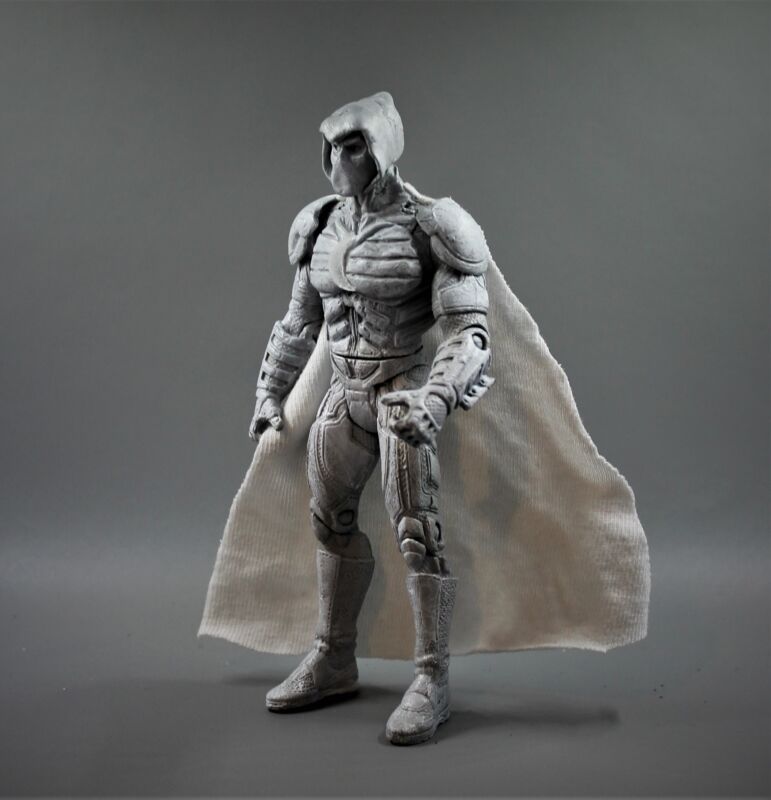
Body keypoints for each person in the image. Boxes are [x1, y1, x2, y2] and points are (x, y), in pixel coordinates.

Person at [199, 91, 650, 747]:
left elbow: (470, 333)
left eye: (352, 145)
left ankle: (432, 678)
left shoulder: (433, 226)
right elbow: (298, 322)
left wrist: (433, 399)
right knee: (328, 521)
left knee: (418, 532)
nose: (337, 160)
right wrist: (269, 393)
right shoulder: (319, 226)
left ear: (381, 149)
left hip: (402, 390)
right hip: (343, 395)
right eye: (330, 146)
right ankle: (333, 656)